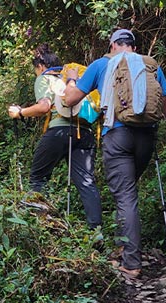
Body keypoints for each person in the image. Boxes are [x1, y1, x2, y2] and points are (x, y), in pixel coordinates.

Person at [63, 29, 166, 277]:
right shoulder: (150, 65)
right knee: (128, 193)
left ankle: (131, 263)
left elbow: (70, 100)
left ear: (112, 45)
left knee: (125, 197)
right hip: (146, 136)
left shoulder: (102, 64)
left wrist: (70, 79)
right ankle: (123, 247)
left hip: (118, 136)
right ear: (133, 46)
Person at [8, 43, 102, 230]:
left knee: (37, 178)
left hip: (59, 131)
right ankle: (96, 231)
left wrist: (20, 112)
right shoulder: (73, 78)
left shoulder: (46, 78)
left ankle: (37, 226)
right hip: (85, 133)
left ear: (41, 66)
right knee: (86, 182)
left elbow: (43, 107)